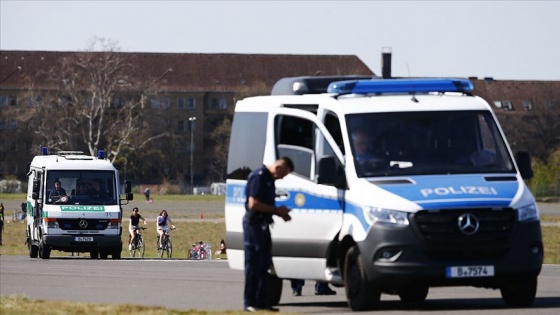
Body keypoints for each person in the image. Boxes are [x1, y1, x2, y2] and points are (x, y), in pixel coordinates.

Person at [243, 157, 294, 313]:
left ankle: (262, 302)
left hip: (264, 225)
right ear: (278, 167)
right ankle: (250, 302)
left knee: (265, 264)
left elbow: (268, 205)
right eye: (283, 174)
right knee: (253, 264)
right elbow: (254, 203)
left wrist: (280, 213)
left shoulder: (270, 179)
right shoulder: (259, 176)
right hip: (254, 225)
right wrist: (276, 211)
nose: (282, 178)